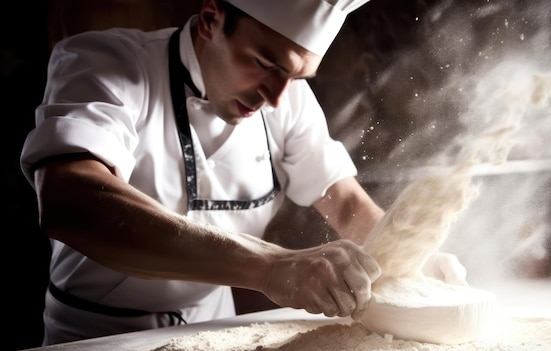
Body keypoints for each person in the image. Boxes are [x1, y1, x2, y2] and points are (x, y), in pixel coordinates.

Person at [20, 0, 467, 346]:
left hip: (215, 332)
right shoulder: (108, 63)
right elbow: (69, 200)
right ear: (211, 17)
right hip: (99, 336)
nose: (275, 96)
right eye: (264, 63)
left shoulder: (287, 100)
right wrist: (270, 266)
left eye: (297, 76)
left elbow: (345, 202)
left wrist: (408, 257)